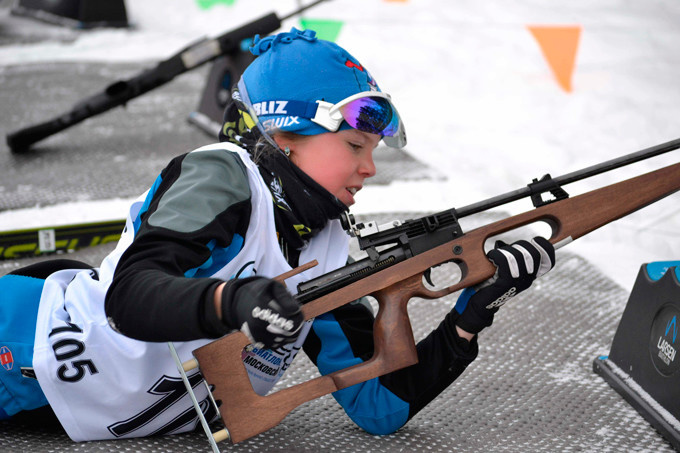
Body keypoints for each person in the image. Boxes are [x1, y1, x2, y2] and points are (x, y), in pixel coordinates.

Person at [0, 28, 555, 441]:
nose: (369, 168)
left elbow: (380, 405)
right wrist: (237, 302)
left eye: (373, 152)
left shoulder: (323, 243)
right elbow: (130, 296)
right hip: (22, 349)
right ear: (285, 135)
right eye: (355, 146)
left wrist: (471, 315)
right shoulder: (223, 174)